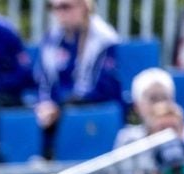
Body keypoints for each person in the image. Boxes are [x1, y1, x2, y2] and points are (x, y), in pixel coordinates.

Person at [32, 0, 122, 157]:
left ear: (84, 6)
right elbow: (43, 81)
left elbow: (99, 87)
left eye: (66, 6)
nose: (59, 13)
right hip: (55, 109)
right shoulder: (51, 38)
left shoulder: (104, 39)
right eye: (54, 7)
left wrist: (59, 107)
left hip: (92, 106)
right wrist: (45, 103)